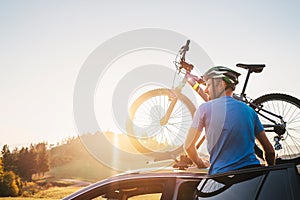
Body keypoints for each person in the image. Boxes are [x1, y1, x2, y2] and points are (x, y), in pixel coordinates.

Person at [184, 66, 275, 175]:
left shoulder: (204, 108)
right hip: (252, 175)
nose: (205, 90)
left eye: (208, 85)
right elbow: (269, 151)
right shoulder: (250, 111)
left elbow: (188, 146)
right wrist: (268, 174)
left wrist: (201, 164)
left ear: (222, 84)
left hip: (222, 178)